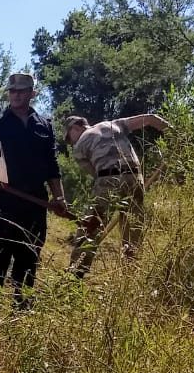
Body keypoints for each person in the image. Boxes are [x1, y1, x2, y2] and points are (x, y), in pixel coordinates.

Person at [0, 73, 69, 320]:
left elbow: (52, 166)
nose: (16, 94)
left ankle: (21, 311)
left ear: (32, 93)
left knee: (29, 256)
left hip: (35, 202)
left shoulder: (44, 125)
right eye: (12, 91)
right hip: (2, 201)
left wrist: (59, 197)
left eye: (22, 91)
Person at [62, 113, 170, 277]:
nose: (71, 143)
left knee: (91, 226)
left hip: (107, 179)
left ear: (75, 127)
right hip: (135, 178)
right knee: (133, 227)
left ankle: (75, 272)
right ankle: (129, 273)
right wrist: (174, 133)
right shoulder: (113, 124)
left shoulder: (79, 147)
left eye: (69, 138)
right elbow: (150, 118)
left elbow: (94, 174)